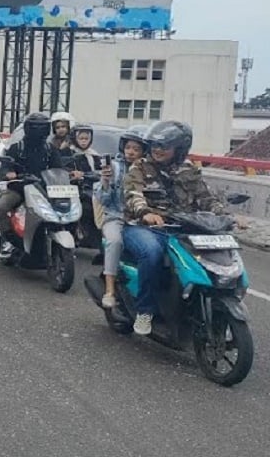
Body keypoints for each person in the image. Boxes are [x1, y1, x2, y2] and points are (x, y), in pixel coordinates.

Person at [122, 120, 234, 335]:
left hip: (184, 227)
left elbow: (206, 199)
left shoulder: (189, 169)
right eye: (154, 145)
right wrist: (146, 213)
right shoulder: (140, 166)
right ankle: (145, 311)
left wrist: (227, 216)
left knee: (212, 256)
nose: (157, 150)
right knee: (151, 253)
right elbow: (132, 194)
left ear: (179, 149)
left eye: (163, 146)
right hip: (144, 227)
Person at [93, 125, 148, 308]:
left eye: (136, 149)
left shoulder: (150, 171)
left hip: (143, 219)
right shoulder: (114, 168)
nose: (131, 152)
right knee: (115, 241)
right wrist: (105, 181)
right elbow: (103, 200)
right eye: (128, 148)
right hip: (116, 216)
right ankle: (109, 290)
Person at [0, 112, 63, 258]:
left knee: (64, 208)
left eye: (42, 127)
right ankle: (7, 240)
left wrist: (69, 175)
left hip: (45, 190)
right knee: (2, 206)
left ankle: (64, 238)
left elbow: (59, 169)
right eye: (35, 127)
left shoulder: (51, 150)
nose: (39, 131)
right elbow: (5, 166)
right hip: (20, 188)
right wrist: (9, 173)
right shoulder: (16, 148)